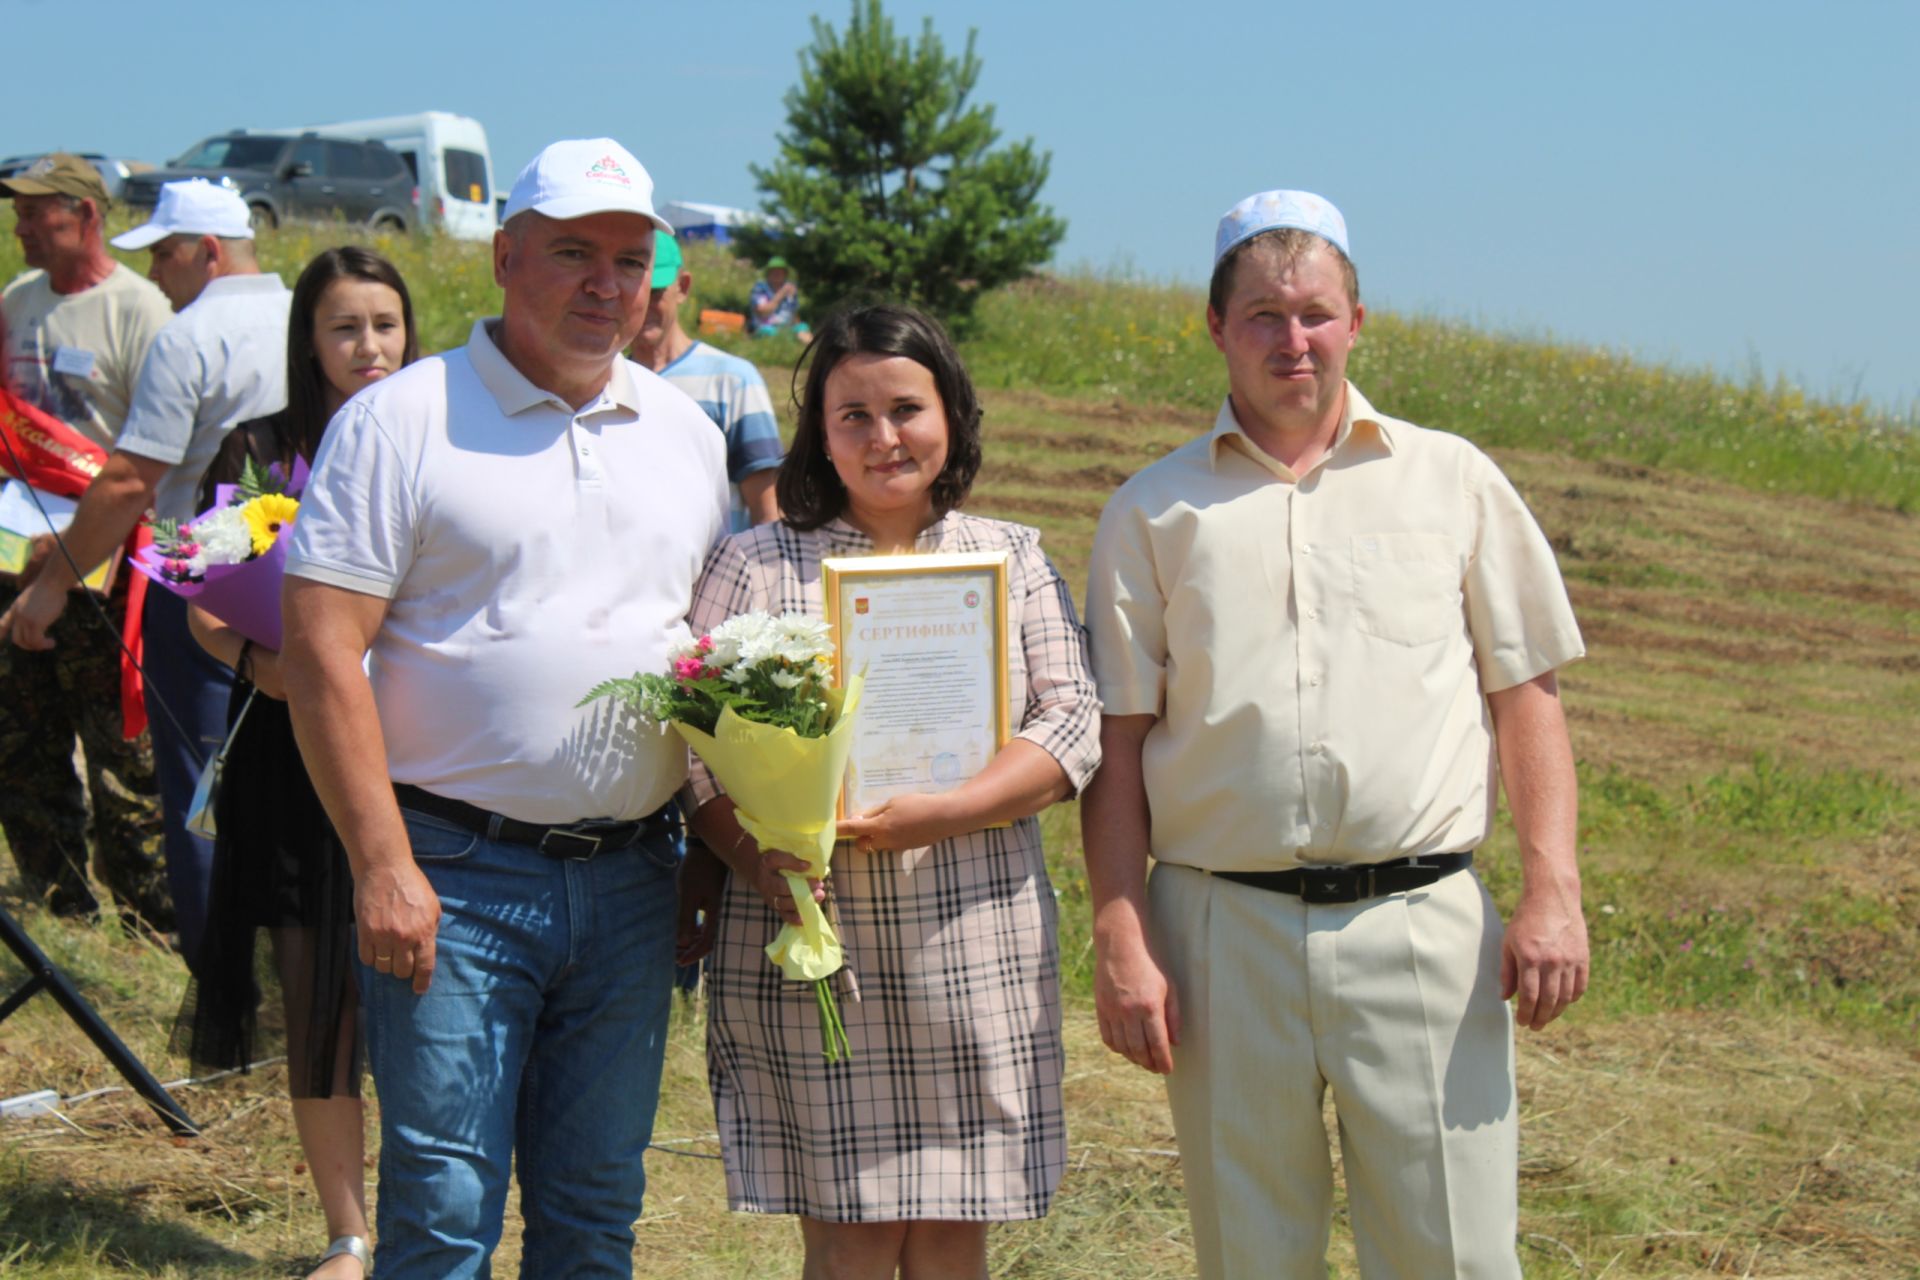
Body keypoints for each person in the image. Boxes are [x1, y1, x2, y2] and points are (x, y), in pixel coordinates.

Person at [1080, 190, 1589, 1279]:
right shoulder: (1152, 512)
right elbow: (1117, 746)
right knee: (1251, 1255)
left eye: (1314, 311)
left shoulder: (1452, 480)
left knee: (1451, 1251)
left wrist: (1554, 889)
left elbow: (1526, 694)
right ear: (1215, 327)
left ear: (1358, 318)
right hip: (1221, 931)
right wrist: (1121, 932)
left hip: (1420, 924)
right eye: (1262, 314)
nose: (1292, 338)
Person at [280, 137, 727, 1279]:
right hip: (452, 877)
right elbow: (323, 648)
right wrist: (382, 864)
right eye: (573, 251)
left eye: (631, 259)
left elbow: (713, 664)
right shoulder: (400, 420)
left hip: (634, 882)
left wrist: (707, 860)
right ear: (505, 256)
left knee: (593, 1212)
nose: (605, 283)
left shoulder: (685, 435)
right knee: (440, 1215)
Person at [682, 302, 1099, 1279]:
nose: (883, 437)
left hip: (973, 934)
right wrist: (762, 852)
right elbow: (696, 746)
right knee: (850, 1233)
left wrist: (948, 808)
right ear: (819, 433)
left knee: (957, 1228)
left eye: (906, 408)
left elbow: (1073, 722)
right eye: (853, 416)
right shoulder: (757, 561)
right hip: (815, 940)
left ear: (950, 413)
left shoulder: (1011, 557)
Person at [173, 246, 419, 1280]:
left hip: (421, 752)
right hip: (292, 753)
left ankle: (430, 1218)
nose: (369, 346)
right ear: (308, 341)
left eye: (387, 323)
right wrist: (262, 657)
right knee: (317, 986)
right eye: (344, 327)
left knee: (423, 999)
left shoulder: (442, 438)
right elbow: (198, 598)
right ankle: (349, 1232)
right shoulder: (261, 449)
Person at [1, 177, 292, 967]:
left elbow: (131, 479)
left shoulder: (188, 334)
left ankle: (218, 978)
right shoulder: (306, 315)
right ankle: (285, 959)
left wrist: (52, 584)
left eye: (165, 254)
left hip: (196, 563)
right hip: (297, 562)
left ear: (205, 251)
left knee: (196, 777)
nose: (158, 273)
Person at [0, 153, 173, 924]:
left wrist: (77, 544)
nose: (22, 225)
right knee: (22, 740)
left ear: (87, 216)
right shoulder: (15, 303)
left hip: (103, 568)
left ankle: (150, 915)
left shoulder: (141, 311)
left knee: (122, 756)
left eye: (39, 211)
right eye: (20, 211)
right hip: (13, 558)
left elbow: (152, 456)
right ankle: (59, 903)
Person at [629, 228, 783, 530]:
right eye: (635, 291)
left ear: (682, 287)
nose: (644, 305)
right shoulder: (602, 382)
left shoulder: (732, 381)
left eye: (656, 292)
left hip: (719, 574)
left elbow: (768, 513)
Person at [748, 255, 810, 341]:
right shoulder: (760, 288)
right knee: (772, 334)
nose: (777, 274)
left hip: (786, 327)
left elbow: (794, 314)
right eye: (774, 271)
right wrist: (782, 293)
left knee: (803, 329)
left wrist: (799, 327)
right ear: (768, 273)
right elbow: (763, 312)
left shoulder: (790, 288)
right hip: (765, 328)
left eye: (780, 271)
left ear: (785, 274)